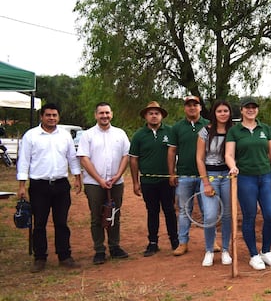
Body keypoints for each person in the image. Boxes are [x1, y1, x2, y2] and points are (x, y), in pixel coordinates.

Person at [16, 103, 83, 272]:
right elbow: (23, 161)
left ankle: (65, 256)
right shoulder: (31, 136)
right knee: (39, 223)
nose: (51, 118)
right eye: (48, 115)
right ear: (42, 117)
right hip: (39, 185)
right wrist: (22, 185)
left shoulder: (65, 136)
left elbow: (72, 158)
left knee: (61, 222)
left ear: (58, 117)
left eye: (54, 115)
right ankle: (40, 258)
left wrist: (77, 177)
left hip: (61, 185)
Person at [225, 99, 271, 270]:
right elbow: (229, 154)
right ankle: (253, 255)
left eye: (253, 108)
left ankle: (266, 250)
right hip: (245, 178)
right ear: (241, 110)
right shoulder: (235, 131)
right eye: (247, 108)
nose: (251, 110)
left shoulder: (265, 129)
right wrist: (233, 166)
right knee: (249, 216)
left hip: (265, 177)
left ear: (257, 110)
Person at [77, 102, 131, 264]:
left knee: (114, 214)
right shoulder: (87, 135)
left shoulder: (120, 134)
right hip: (94, 183)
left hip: (116, 181)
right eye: (101, 113)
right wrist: (99, 179)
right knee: (96, 216)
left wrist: (118, 175)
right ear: (96, 115)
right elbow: (84, 158)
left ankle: (115, 247)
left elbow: (126, 156)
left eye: (107, 113)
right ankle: (99, 250)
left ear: (111, 114)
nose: (104, 116)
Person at [129, 101, 179, 257]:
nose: (154, 116)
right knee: (152, 212)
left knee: (170, 210)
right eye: (150, 113)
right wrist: (136, 182)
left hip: (167, 180)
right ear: (145, 116)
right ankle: (152, 243)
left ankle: (175, 241)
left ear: (161, 115)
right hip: (148, 181)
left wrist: (174, 174)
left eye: (157, 113)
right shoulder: (139, 135)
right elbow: (134, 160)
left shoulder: (170, 132)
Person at [167, 95, 210, 256]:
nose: (192, 107)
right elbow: (171, 151)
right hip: (184, 175)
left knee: (208, 210)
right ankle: (183, 242)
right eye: (189, 105)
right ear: (185, 108)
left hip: (205, 176)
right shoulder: (177, 128)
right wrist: (172, 173)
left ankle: (211, 241)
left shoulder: (207, 125)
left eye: (195, 105)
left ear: (200, 107)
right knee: (185, 210)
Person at [195, 100, 234, 267]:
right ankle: (209, 250)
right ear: (214, 113)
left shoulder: (234, 131)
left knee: (226, 214)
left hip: (228, 175)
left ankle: (225, 249)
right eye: (220, 111)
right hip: (210, 175)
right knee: (210, 215)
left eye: (226, 110)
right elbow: (199, 158)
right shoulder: (205, 131)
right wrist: (205, 182)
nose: (223, 114)